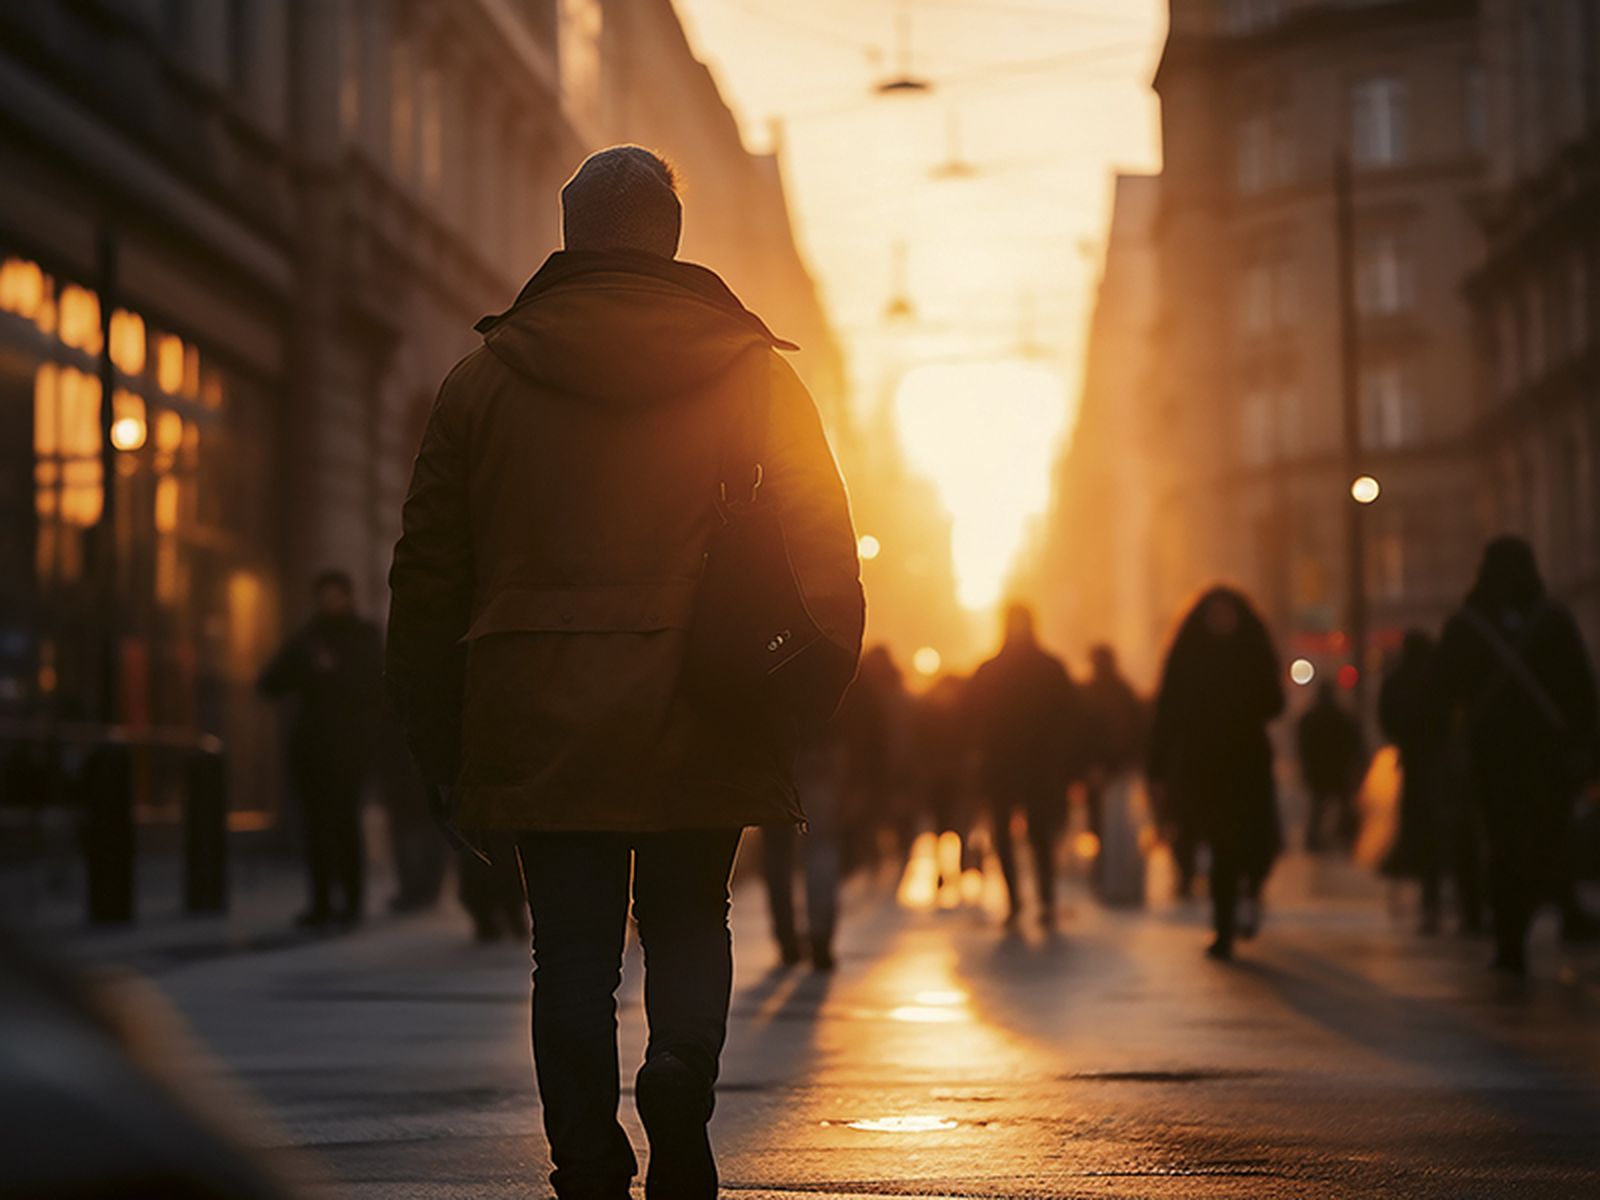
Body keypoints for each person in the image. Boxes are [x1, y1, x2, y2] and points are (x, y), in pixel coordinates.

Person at [385, 146, 864, 1200]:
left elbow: (425, 571)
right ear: (672, 238)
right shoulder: (754, 374)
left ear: (568, 235)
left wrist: (434, 737)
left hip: (539, 704)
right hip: (709, 692)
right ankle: (679, 1072)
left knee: (570, 955)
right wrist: (807, 685)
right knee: (692, 916)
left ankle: (589, 1169)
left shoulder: (483, 380)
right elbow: (823, 537)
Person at [1434, 536, 1599, 975]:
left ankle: (1510, 940)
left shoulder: (1466, 626)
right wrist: (1584, 751)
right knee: (1549, 836)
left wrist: (1448, 753)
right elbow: (1581, 693)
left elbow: (1443, 695)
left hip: (1493, 758)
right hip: (1549, 756)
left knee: (1502, 845)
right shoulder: (1553, 621)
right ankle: (1563, 912)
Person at [1147, 587, 1284, 960]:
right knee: (1222, 847)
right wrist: (1156, 767)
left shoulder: (1254, 652)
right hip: (1206, 766)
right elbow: (1167, 712)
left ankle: (1250, 894)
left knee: (1256, 844)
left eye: (1227, 613)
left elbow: (1275, 703)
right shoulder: (1188, 657)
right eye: (1215, 614)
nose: (1221, 621)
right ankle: (1224, 928)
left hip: (1248, 761)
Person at [258, 570, 383, 930]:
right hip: (312, 749)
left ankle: (352, 902)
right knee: (315, 828)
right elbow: (271, 683)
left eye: (335, 595)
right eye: (323, 596)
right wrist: (308, 671)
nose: (329, 602)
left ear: (348, 596)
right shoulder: (308, 639)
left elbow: (374, 686)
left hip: (350, 749)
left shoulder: (364, 636)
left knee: (345, 825)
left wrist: (332, 674)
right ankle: (321, 903)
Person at [966, 603, 1078, 931]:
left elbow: (1069, 717)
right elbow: (972, 718)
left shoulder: (1045, 669)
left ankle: (1045, 897)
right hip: (1006, 764)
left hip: (1036, 764)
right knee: (1005, 832)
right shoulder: (997, 670)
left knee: (1039, 832)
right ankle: (1016, 899)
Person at [1379, 631, 1451, 933]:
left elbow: (1385, 715)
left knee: (1417, 822)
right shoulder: (1437, 678)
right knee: (1440, 825)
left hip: (1414, 759)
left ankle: (1423, 882)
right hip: (1440, 760)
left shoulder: (1399, 679)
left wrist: (1404, 739)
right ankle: (1435, 889)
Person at [1077, 644, 1146, 895]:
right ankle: (1112, 875)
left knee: (1103, 824)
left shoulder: (1092, 692)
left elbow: (1082, 733)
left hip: (1107, 769)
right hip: (1114, 768)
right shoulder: (1120, 691)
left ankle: (1109, 874)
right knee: (1113, 825)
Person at [1296, 682, 1366, 855]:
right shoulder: (1341, 716)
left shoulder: (1310, 717)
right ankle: (1345, 833)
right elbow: (1353, 742)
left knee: (1319, 803)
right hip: (1337, 767)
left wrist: (1305, 764)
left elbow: (1302, 743)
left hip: (1318, 768)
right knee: (1342, 802)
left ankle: (1314, 839)